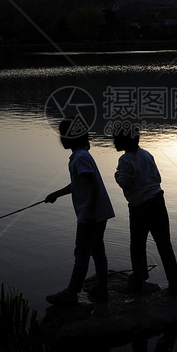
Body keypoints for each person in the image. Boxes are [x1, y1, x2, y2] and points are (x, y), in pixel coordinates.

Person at [44, 118, 115, 305]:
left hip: (91, 214)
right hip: (100, 212)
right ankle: (102, 289)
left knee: (81, 252)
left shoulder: (79, 158)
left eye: (63, 135)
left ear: (72, 137)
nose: (61, 139)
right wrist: (57, 194)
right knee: (98, 250)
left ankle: (71, 294)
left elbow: (93, 184)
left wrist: (89, 214)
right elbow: (80, 183)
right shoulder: (81, 155)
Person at [113, 125, 177, 296]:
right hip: (158, 201)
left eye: (116, 138)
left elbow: (126, 183)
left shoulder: (125, 160)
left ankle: (139, 279)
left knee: (137, 244)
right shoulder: (147, 154)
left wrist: (117, 176)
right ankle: (174, 281)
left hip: (140, 207)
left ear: (124, 141)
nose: (113, 141)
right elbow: (158, 178)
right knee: (164, 243)